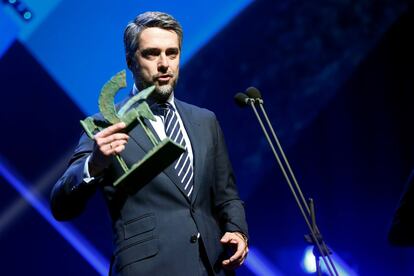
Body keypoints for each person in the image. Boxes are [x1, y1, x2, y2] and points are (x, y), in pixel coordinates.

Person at [50, 11, 249, 275]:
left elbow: (226, 195)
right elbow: (61, 206)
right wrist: (94, 165)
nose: (164, 64)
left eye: (172, 53)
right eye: (152, 54)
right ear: (131, 61)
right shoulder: (104, 125)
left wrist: (237, 230)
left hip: (212, 267)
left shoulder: (205, 120)